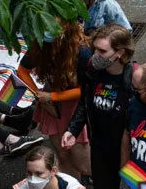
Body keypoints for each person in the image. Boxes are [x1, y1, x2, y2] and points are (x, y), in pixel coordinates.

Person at [63, 24, 135, 189]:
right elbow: (85, 102)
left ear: (119, 53)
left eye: (102, 51)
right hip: (102, 151)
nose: (95, 54)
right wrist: (73, 130)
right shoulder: (92, 72)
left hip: (130, 154)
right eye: (95, 48)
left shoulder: (134, 78)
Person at [16, 22, 90, 177]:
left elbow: (87, 89)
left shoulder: (82, 52)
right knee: (63, 156)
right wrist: (39, 94)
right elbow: (22, 70)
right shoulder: (41, 46)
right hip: (54, 110)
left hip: (76, 109)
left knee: (84, 165)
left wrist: (51, 97)